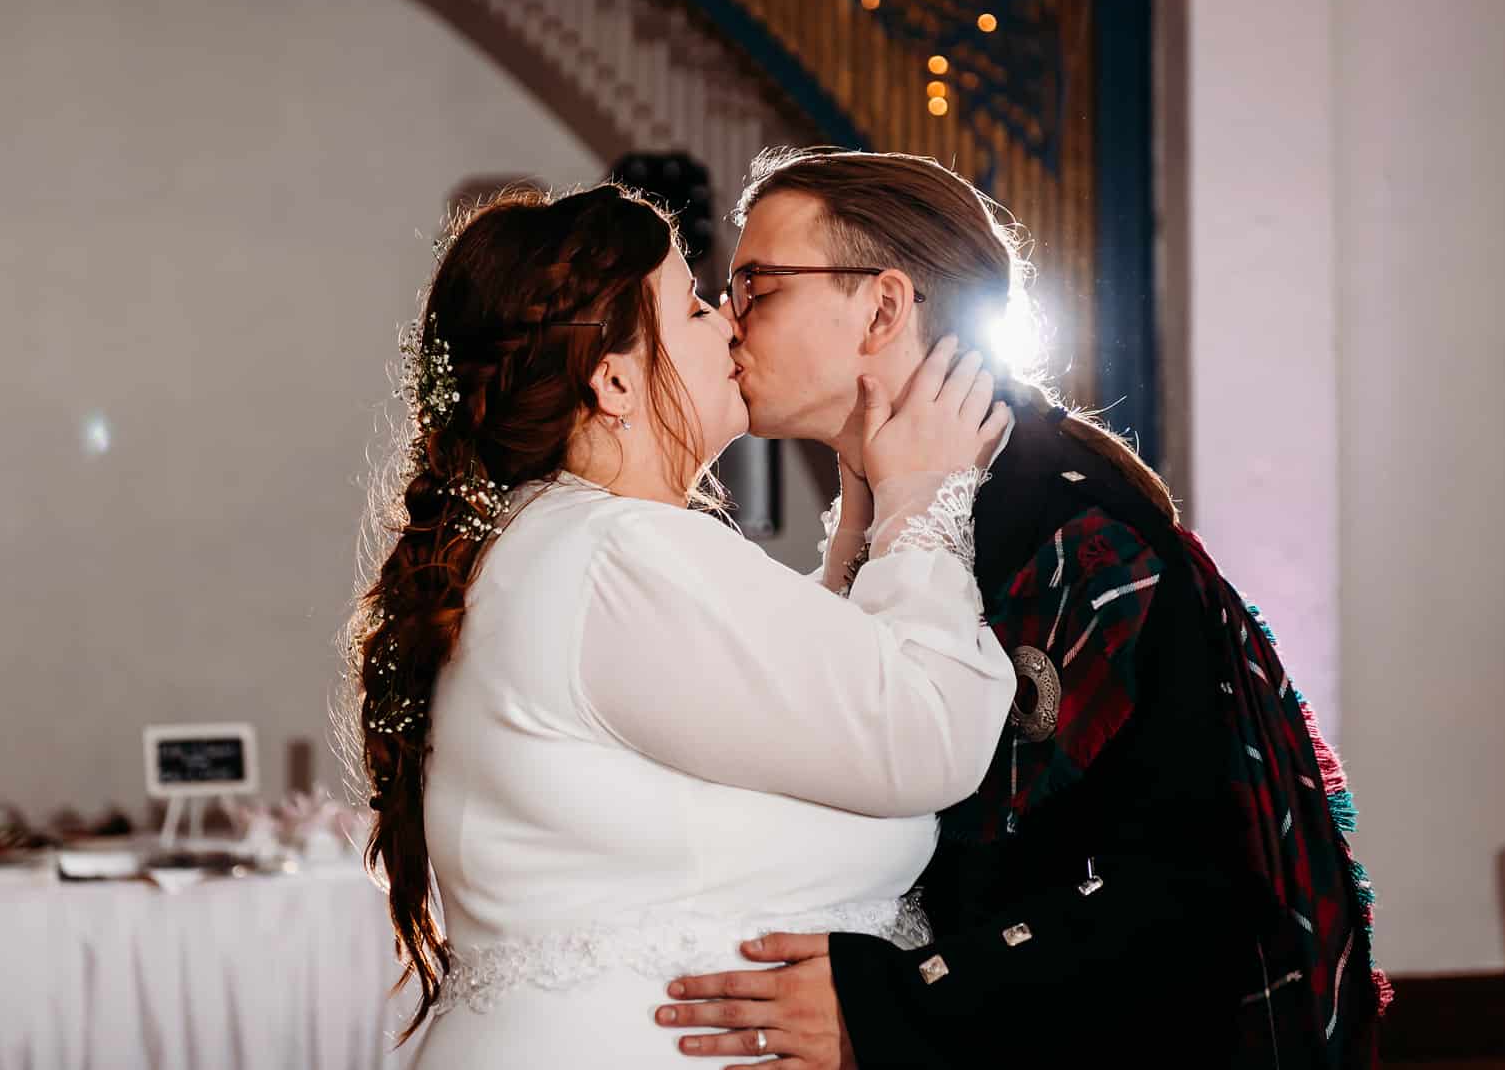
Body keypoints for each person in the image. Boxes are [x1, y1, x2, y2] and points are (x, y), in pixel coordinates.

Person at [655, 148, 1389, 1068]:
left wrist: (888, 1005)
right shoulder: (895, 515)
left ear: (883, 308)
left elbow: (1179, 892)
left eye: (757, 282)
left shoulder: (1081, 536)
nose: (730, 317)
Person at [340, 183, 1017, 1068]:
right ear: (615, 378)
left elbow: (798, 715)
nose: (730, 326)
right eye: (695, 306)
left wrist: (862, 525)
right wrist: (926, 502)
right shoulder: (620, 555)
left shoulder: (562, 542)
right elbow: (922, 735)